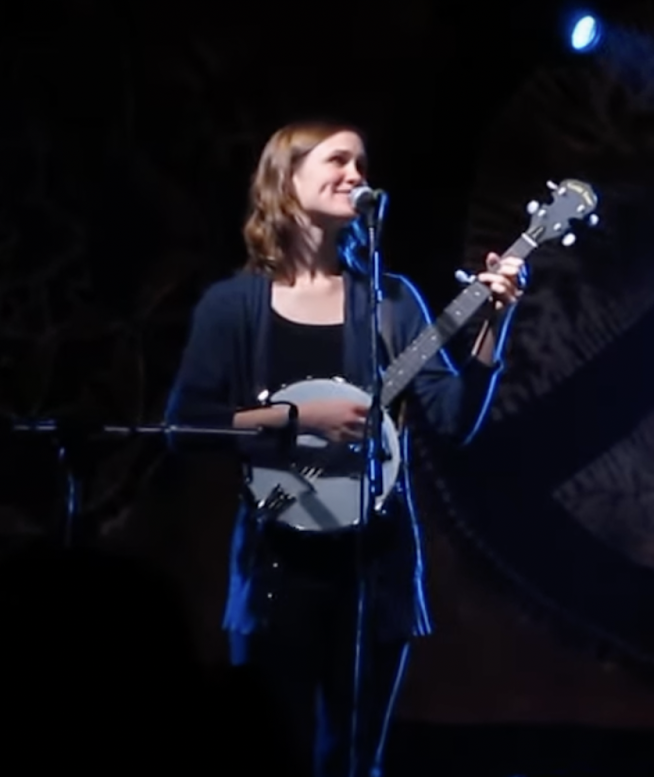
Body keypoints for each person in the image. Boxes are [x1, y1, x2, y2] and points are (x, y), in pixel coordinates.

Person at [164, 120, 525, 777]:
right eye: (338, 160)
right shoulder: (235, 306)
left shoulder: (390, 302)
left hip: (375, 566)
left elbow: (454, 419)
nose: (357, 175)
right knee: (271, 752)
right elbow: (186, 426)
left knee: (356, 760)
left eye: (362, 163)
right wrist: (297, 417)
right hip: (274, 569)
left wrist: (494, 323)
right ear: (286, 178)